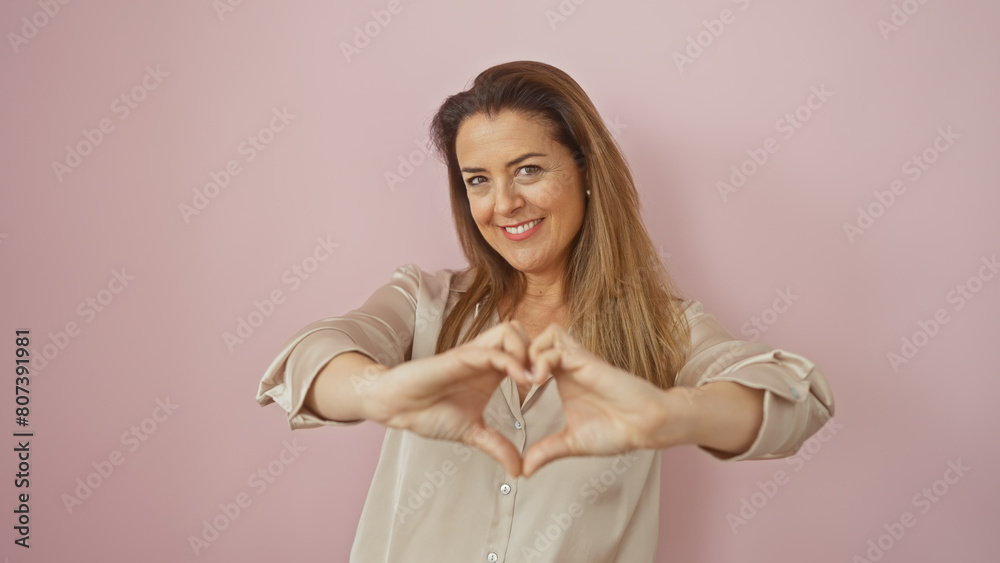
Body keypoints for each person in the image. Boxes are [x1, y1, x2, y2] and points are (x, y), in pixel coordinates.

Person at [256, 60, 835, 562]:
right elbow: (311, 356)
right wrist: (380, 393)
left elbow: (794, 397)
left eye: (528, 169)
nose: (504, 204)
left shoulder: (660, 328)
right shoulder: (424, 304)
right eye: (478, 180)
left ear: (585, 172)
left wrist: (670, 416)